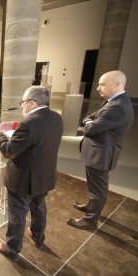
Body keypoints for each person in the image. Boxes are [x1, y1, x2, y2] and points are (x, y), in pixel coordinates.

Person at [0, 86, 63, 260]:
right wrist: (15, 125)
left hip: (23, 180)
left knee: (17, 214)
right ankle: (38, 237)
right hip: (44, 176)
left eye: (23, 102)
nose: (22, 105)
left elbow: (8, 151)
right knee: (39, 208)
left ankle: (12, 249)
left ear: (32, 103)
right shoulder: (56, 118)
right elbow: (40, 133)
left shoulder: (29, 124)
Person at [67, 70, 134, 230]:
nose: (98, 88)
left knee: (98, 190)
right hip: (98, 152)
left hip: (101, 154)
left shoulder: (118, 107)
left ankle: (90, 220)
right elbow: (89, 117)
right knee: (95, 186)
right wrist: (89, 121)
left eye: (103, 84)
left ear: (118, 84)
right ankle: (91, 207)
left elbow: (90, 128)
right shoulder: (112, 101)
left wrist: (89, 123)